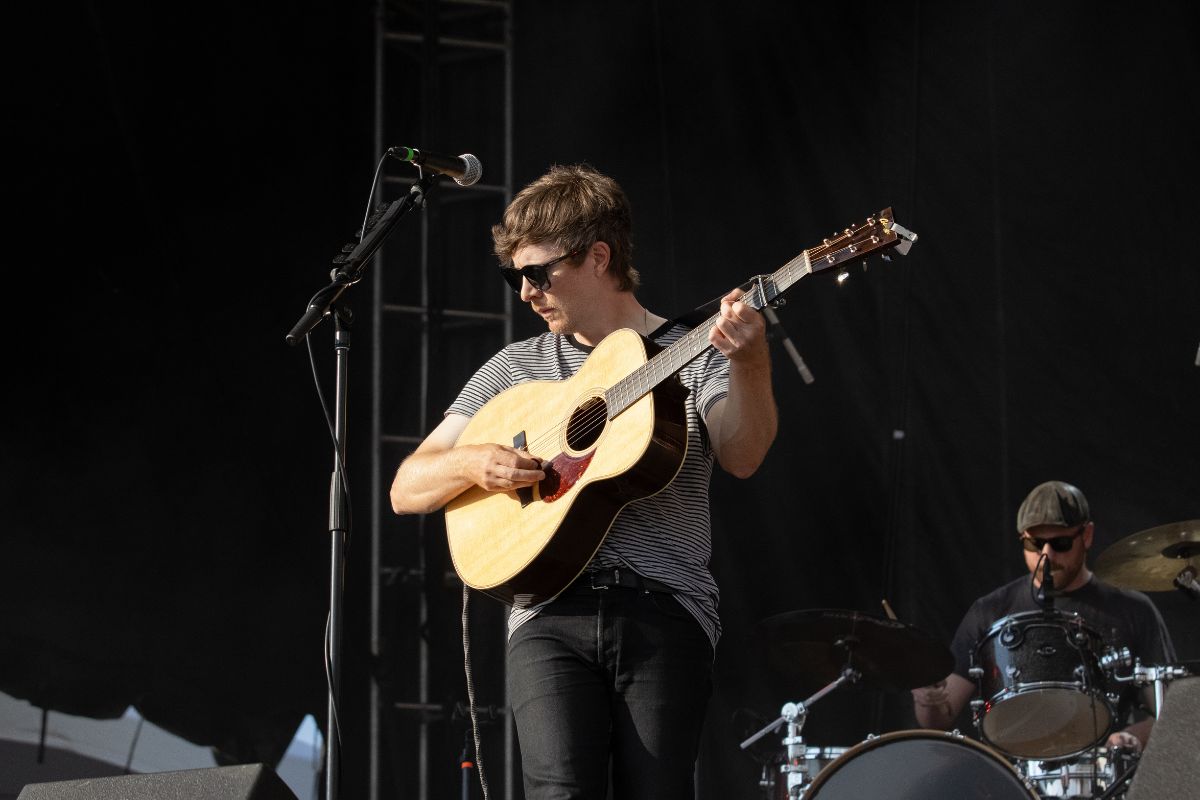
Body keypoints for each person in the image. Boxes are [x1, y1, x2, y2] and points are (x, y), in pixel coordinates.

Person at [389, 163, 778, 799]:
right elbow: (407, 488)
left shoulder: (693, 348)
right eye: (516, 276)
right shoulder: (519, 366)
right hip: (544, 615)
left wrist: (752, 363)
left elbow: (743, 454)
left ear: (599, 256)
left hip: (664, 607)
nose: (524, 292)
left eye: (538, 273)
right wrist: (472, 463)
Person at [911, 480, 1177, 753]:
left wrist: (1131, 737)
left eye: (1060, 543)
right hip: (1014, 779)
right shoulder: (990, 610)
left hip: (1106, 778)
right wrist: (927, 699)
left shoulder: (1133, 610)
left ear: (1087, 536)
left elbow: (1172, 714)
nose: (1047, 554)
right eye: (1035, 543)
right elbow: (939, 719)